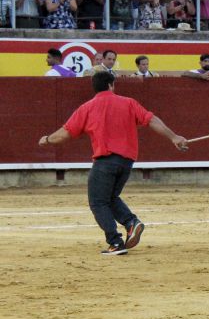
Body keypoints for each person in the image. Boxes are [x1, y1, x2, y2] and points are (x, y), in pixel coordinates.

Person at [38, 72, 188, 255]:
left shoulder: (87, 107)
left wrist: (47, 139)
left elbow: (64, 134)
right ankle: (131, 223)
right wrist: (174, 137)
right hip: (126, 161)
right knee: (109, 198)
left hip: (105, 161)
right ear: (111, 85)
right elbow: (152, 120)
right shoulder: (128, 102)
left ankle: (115, 242)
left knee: (98, 202)